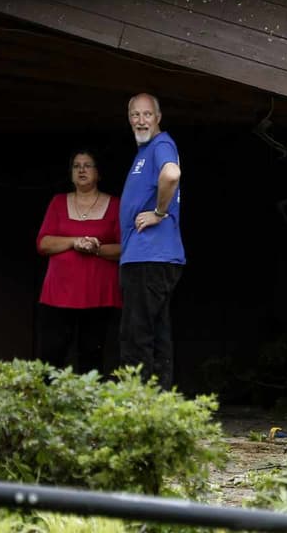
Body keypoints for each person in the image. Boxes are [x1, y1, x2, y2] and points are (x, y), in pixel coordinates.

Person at [35, 149, 122, 373]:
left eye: (88, 165)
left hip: (98, 293)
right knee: (51, 355)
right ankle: (49, 406)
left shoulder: (115, 205)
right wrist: (75, 242)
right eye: (76, 166)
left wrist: (95, 248)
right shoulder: (57, 202)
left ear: (98, 173)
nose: (81, 169)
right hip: (59, 293)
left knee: (92, 355)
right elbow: (43, 244)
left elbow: (126, 249)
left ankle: (89, 407)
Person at [119, 93, 184, 388]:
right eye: (135, 115)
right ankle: (160, 405)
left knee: (137, 335)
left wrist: (159, 212)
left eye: (147, 114)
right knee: (157, 334)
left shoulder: (161, 144)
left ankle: (139, 407)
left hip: (149, 257)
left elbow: (171, 174)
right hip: (150, 257)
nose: (141, 120)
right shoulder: (146, 151)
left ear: (158, 117)